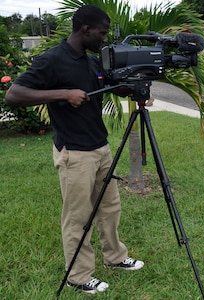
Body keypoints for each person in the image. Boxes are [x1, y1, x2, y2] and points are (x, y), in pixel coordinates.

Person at [5, 5, 143, 294]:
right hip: (75, 153)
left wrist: (130, 87)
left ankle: (115, 258)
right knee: (79, 217)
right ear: (85, 30)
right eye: (102, 33)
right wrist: (63, 94)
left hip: (101, 147)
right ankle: (78, 276)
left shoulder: (90, 62)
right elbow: (13, 94)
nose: (104, 39)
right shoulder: (52, 60)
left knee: (110, 208)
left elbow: (106, 86)